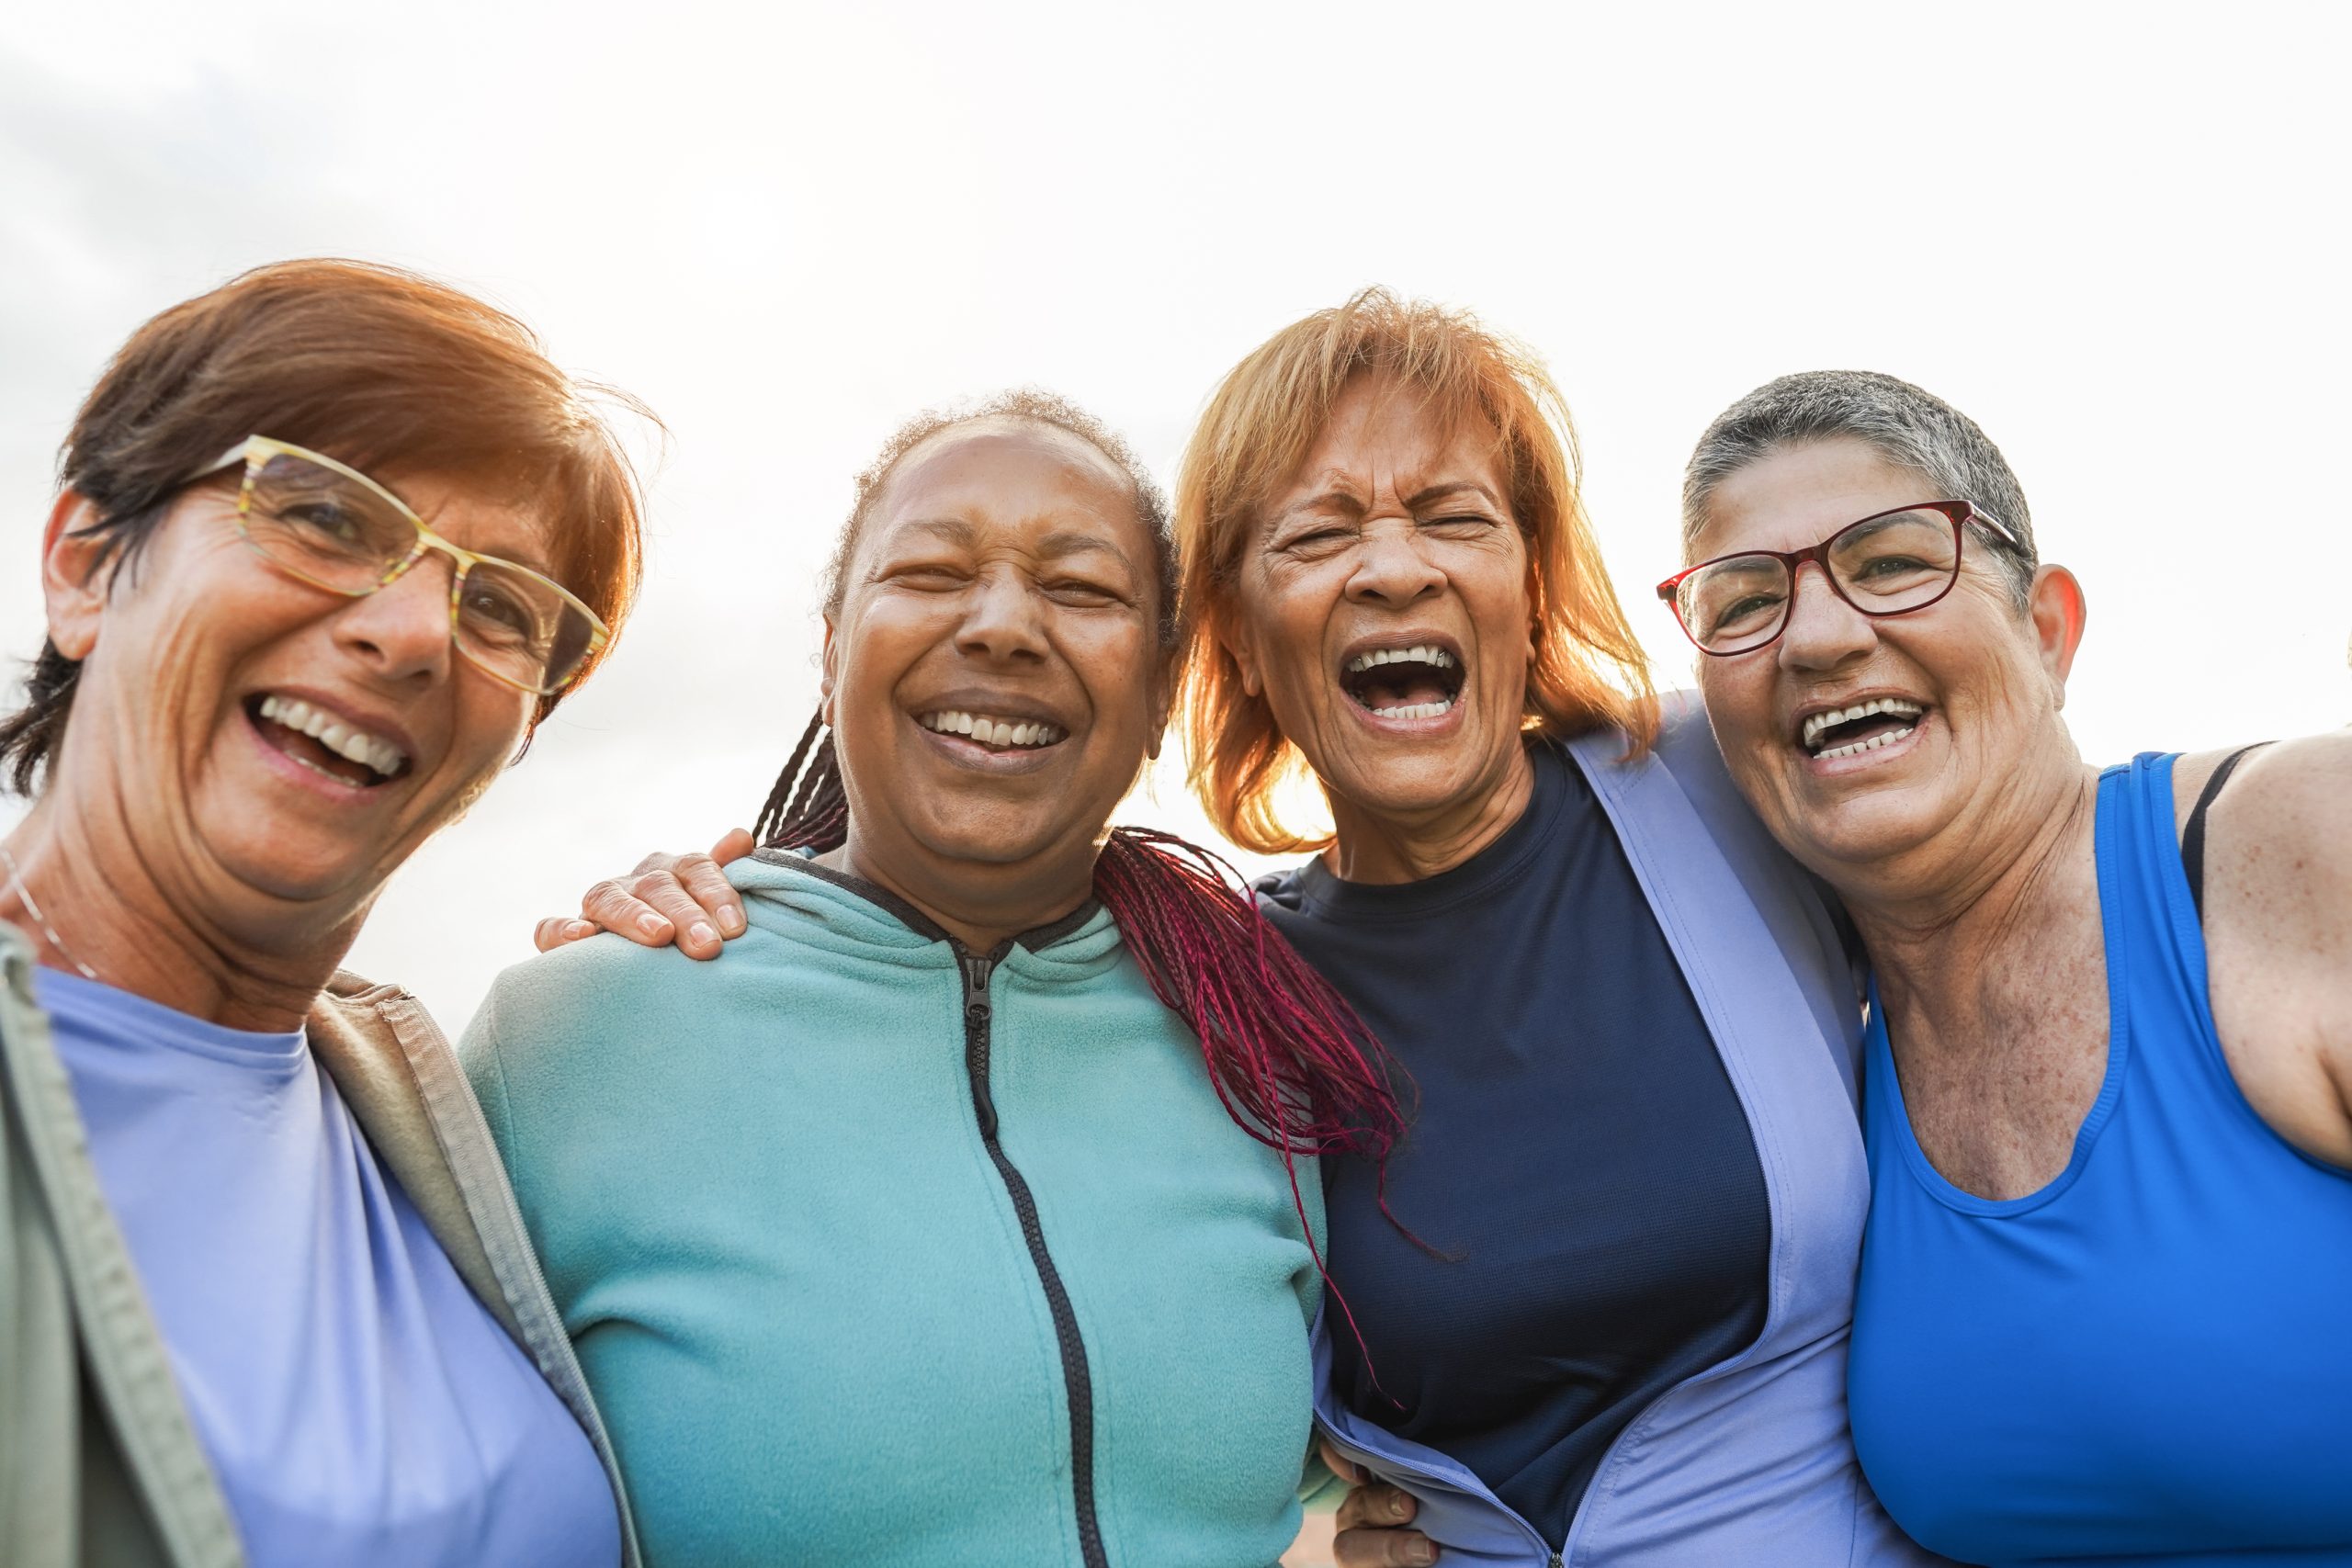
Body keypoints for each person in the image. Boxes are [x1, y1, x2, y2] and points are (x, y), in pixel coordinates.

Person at [570, 296, 1944, 1568]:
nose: (1390, 567)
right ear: (1229, 635)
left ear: (1532, 584)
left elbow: (2018, 861)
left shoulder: (1735, 788)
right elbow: (973, 943)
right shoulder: (1215, 981)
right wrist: (760, 898)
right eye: (1318, 531)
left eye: (1452, 517)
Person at [461, 390, 1409, 1568]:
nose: (1005, 625)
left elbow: (1333, 1466)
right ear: (830, 647)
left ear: (1163, 687)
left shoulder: (1259, 1039)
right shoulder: (570, 1040)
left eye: (1080, 589)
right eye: (929, 572)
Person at [0, 260, 650, 1568]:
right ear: (85, 566)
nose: (415, 632)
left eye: (504, 607)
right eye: (324, 516)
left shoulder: (422, 1104)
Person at [1670, 370, 2352, 1568]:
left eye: (1889, 562)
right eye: (1745, 600)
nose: (1821, 636)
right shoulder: (1816, 1102)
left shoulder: (2294, 843)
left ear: (2047, 629)